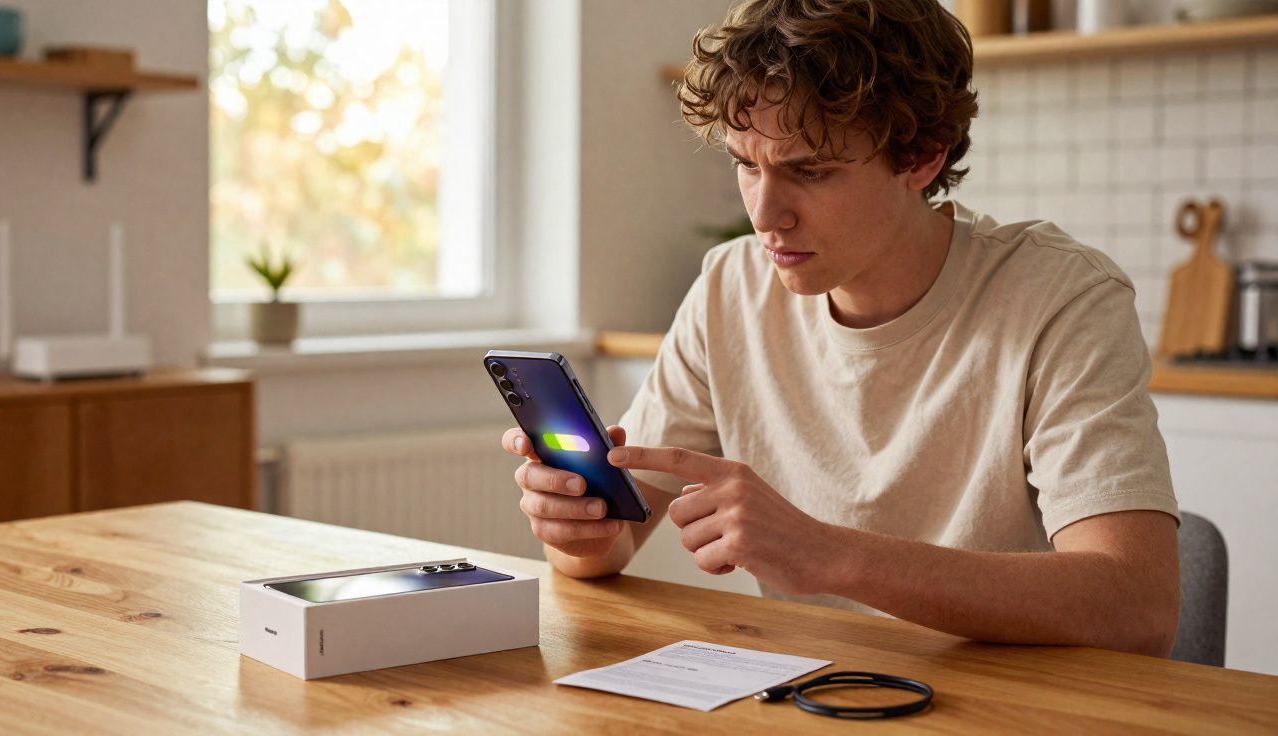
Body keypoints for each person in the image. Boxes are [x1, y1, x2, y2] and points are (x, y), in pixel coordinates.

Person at [502, 0, 1181, 656]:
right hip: (809, 698)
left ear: (922, 157)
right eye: (746, 164)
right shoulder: (730, 287)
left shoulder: (1061, 299)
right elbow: (608, 550)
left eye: (810, 170)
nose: (765, 213)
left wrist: (827, 553)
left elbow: (1138, 607)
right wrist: (577, 530)